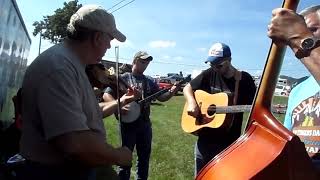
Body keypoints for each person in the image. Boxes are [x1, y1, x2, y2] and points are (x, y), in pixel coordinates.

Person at [18, 5, 139, 180]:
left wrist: (122, 101)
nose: (109, 46)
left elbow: (87, 113)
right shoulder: (60, 68)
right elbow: (76, 144)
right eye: (110, 39)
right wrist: (119, 155)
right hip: (57, 173)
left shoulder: (73, 65)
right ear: (97, 38)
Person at [183, 42, 256, 175]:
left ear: (229, 60)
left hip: (229, 145)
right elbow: (187, 87)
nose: (215, 68)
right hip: (204, 142)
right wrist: (192, 102)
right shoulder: (210, 73)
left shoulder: (244, 80)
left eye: (219, 65)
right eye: (211, 64)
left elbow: (255, 106)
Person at [104, 51, 179, 180]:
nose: (145, 65)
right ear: (134, 61)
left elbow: (161, 97)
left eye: (147, 63)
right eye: (142, 62)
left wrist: (172, 92)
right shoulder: (123, 77)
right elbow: (106, 94)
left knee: (144, 159)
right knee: (124, 159)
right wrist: (118, 107)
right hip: (127, 125)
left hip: (144, 125)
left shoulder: (149, 80)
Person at [268, 5, 320, 171]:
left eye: (313, 29)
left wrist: (300, 37)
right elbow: (289, 142)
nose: (309, 35)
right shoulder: (298, 89)